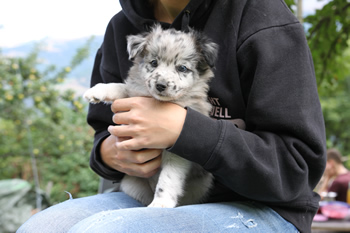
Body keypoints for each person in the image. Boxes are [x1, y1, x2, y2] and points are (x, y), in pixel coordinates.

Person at [18, 0, 327, 232]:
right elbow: (102, 127)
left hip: (263, 206)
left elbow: (297, 168)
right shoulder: (121, 27)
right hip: (149, 190)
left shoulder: (262, 17)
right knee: (41, 228)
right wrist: (109, 154)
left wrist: (187, 131)